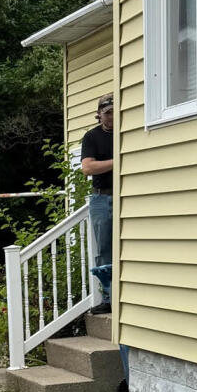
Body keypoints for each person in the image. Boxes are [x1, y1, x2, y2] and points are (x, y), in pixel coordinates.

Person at [80, 95, 114, 308]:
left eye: (114, 111)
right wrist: (116, 161)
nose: (111, 116)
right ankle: (108, 297)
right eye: (107, 112)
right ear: (100, 114)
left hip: (125, 194)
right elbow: (87, 168)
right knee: (104, 248)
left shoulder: (125, 133)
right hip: (102, 197)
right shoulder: (92, 136)